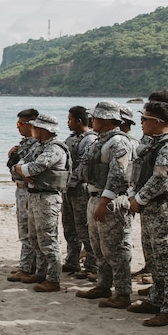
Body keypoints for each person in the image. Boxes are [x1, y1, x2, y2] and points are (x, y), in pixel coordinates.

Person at [127, 100, 168, 327]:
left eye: (144, 119)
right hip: (152, 207)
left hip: (165, 207)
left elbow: (161, 179)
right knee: (155, 255)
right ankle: (157, 298)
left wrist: (139, 198)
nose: (141, 123)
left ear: (157, 122)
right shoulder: (155, 144)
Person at [78, 101, 134, 309]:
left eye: (97, 118)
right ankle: (103, 284)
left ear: (107, 120)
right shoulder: (99, 140)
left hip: (110, 200)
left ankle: (122, 292)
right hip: (96, 196)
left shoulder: (119, 142)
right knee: (98, 247)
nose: (93, 121)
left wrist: (105, 201)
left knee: (115, 249)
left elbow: (118, 174)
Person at [14, 113, 71, 292]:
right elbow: (20, 163)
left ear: (46, 130)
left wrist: (22, 169)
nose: (34, 130)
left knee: (48, 239)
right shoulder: (39, 146)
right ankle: (41, 272)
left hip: (47, 197)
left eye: (37, 127)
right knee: (34, 237)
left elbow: (33, 167)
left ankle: (53, 279)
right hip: (34, 195)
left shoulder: (54, 149)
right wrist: (22, 169)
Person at [62, 106, 97, 277]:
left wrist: (68, 181)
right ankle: (72, 260)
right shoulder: (72, 138)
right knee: (69, 226)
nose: (67, 122)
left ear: (79, 121)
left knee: (83, 227)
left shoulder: (89, 140)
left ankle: (91, 264)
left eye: (70, 119)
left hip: (81, 189)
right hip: (68, 189)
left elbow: (84, 166)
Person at [6, 108, 39, 282]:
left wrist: (16, 166)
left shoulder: (36, 146)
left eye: (20, 124)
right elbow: (14, 167)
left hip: (28, 189)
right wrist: (11, 157)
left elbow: (28, 170)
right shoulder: (24, 144)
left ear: (30, 124)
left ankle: (27, 267)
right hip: (20, 188)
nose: (18, 127)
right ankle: (26, 264)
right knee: (24, 229)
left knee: (28, 229)